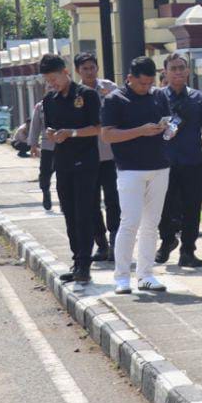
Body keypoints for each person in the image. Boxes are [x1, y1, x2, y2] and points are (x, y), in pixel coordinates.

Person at [101, 56, 173, 295]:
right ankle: (122, 277)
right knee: (130, 222)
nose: (146, 88)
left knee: (151, 224)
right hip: (130, 169)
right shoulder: (115, 100)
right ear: (129, 78)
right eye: (142, 83)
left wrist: (169, 129)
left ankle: (146, 274)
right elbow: (108, 135)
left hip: (159, 166)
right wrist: (140, 131)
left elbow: (170, 120)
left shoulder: (159, 96)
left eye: (150, 83)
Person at [40, 54, 101, 285]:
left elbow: (98, 128)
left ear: (65, 71)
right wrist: (52, 134)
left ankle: (85, 263)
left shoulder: (87, 95)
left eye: (54, 78)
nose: (52, 83)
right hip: (63, 162)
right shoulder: (50, 100)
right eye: (48, 80)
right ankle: (76, 260)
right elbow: (50, 129)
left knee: (84, 212)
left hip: (86, 162)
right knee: (69, 213)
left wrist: (71, 133)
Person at [155, 54, 202, 269]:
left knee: (192, 208)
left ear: (187, 71)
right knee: (164, 207)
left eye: (181, 68)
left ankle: (188, 250)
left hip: (192, 161)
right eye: (173, 68)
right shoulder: (157, 97)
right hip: (163, 162)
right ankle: (167, 239)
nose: (178, 72)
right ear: (166, 72)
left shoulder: (199, 98)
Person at [75, 52, 120, 265]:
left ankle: (115, 242)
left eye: (92, 67)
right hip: (85, 156)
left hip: (110, 154)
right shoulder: (75, 93)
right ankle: (100, 243)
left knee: (113, 200)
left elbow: (123, 111)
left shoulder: (109, 88)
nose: (90, 72)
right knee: (92, 202)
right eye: (85, 69)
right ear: (78, 71)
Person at [27, 99, 55, 212]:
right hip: (47, 145)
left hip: (65, 146)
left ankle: (65, 201)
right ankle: (46, 192)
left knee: (65, 175)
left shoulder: (68, 101)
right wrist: (33, 144)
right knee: (45, 173)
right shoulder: (40, 106)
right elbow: (35, 126)